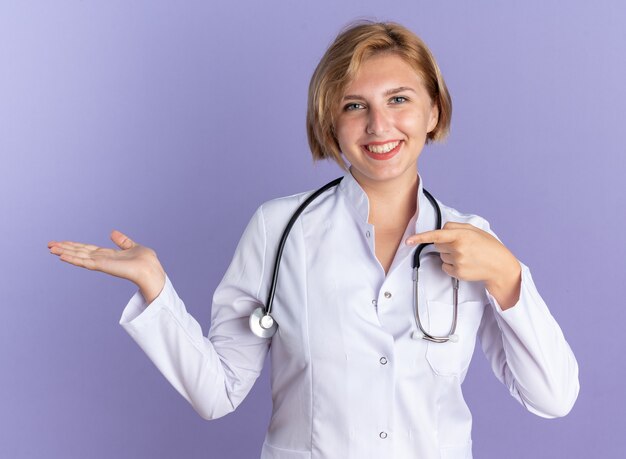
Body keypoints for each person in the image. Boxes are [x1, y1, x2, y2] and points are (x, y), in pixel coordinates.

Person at [48, 21, 579, 459]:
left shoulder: (474, 241)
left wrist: (509, 277)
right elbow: (217, 393)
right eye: (354, 106)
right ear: (330, 121)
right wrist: (154, 287)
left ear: (434, 110)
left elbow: (553, 398)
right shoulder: (279, 230)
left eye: (399, 99)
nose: (379, 124)